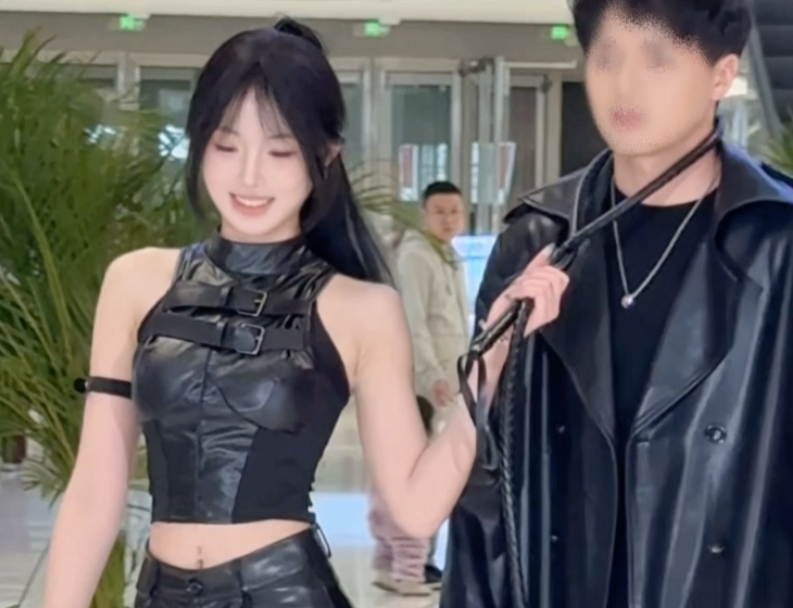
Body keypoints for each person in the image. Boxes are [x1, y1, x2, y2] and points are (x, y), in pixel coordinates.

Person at [39, 18, 538, 608]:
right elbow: (95, 492)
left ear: (325, 156)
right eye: (227, 146)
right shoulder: (135, 281)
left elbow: (414, 505)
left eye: (280, 151)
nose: (249, 175)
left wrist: (488, 366)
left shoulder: (361, 310)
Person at [442, 0, 793, 607]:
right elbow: (487, 474)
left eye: (657, 60)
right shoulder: (540, 237)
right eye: (606, 58)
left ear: (722, 75)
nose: (624, 85)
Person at [368, 180, 471, 594]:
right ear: (424, 214)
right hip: (420, 386)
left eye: (455, 212)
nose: (448, 219)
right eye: (440, 211)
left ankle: (401, 562)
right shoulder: (416, 257)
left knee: (414, 470)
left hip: (442, 382)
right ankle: (407, 567)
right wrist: (431, 375)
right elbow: (414, 321)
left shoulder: (447, 256)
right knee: (416, 474)